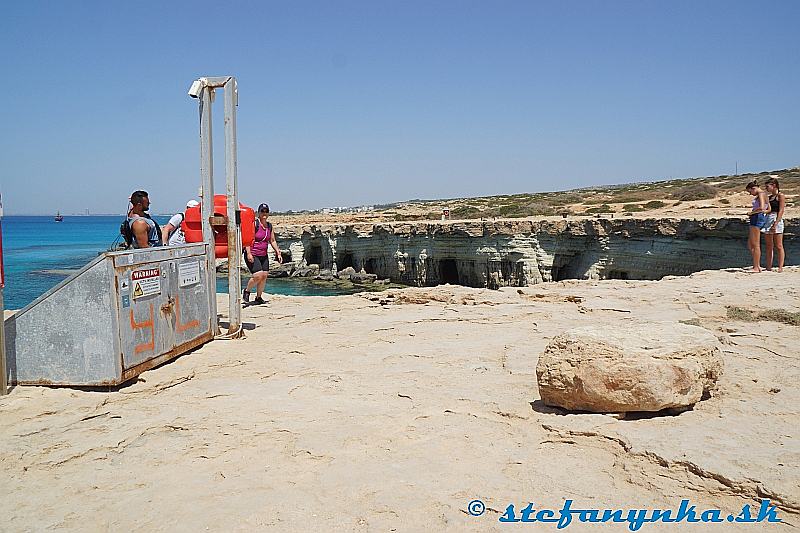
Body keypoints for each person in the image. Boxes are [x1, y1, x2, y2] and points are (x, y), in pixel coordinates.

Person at [243, 203, 283, 304]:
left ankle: (258, 297)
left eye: (266, 211)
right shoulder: (254, 224)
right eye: (262, 211)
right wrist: (248, 253)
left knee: (264, 275)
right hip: (253, 253)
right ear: (259, 213)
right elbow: (247, 239)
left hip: (263, 254)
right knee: (258, 275)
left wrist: (278, 252)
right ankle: (247, 291)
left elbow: (272, 240)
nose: (264, 213)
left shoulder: (269, 226)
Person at [744, 180, 770, 272]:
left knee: (755, 244)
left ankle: (756, 267)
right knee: (750, 244)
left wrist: (751, 213)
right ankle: (757, 265)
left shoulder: (761, 194)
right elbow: (768, 208)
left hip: (756, 217)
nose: (751, 194)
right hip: (758, 217)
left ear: (753, 188)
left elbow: (762, 207)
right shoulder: (765, 194)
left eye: (750, 192)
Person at [762, 176, 786, 272]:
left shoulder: (780, 196)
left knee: (779, 245)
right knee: (769, 245)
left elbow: (781, 210)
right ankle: (769, 266)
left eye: (768, 186)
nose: (766, 188)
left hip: (776, 219)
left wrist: (776, 223)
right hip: (768, 219)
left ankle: (780, 267)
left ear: (774, 185)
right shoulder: (770, 197)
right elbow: (767, 210)